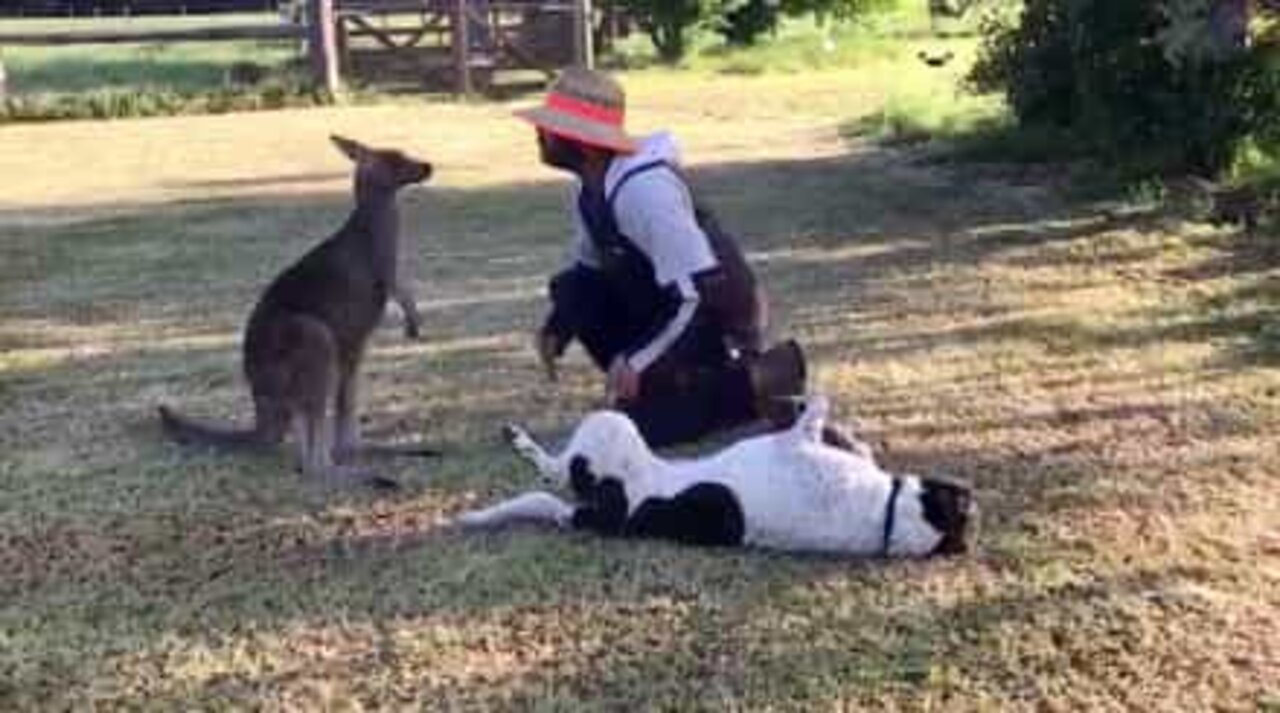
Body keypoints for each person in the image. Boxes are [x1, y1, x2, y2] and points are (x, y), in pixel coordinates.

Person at [514, 67, 807, 448]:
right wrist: (557, 328)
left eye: (551, 128)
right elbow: (588, 272)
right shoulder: (590, 188)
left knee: (638, 432)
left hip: (715, 320)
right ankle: (664, 389)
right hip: (667, 303)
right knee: (570, 290)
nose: (540, 133)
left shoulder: (643, 191)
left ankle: (752, 380)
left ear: (583, 143)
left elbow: (696, 294)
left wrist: (638, 360)